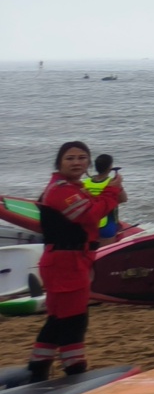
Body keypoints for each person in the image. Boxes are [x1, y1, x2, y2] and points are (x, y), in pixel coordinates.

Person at [29, 142, 123, 380]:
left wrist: (111, 194)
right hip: (65, 263)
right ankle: (74, 370)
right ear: (59, 163)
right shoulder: (61, 190)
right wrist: (111, 193)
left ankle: (38, 368)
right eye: (70, 158)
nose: (77, 162)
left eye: (82, 158)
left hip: (69, 259)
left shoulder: (73, 188)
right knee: (74, 319)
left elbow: (92, 209)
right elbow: (89, 214)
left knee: (59, 318)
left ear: (89, 164)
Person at [82, 154, 122, 241]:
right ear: (110, 167)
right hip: (107, 225)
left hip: (89, 224)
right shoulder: (112, 182)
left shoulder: (84, 182)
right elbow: (123, 199)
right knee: (109, 253)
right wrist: (119, 186)